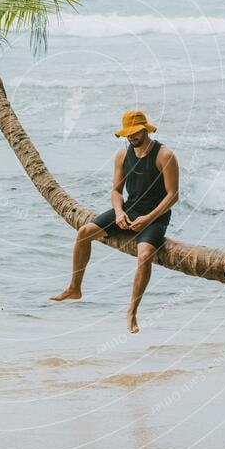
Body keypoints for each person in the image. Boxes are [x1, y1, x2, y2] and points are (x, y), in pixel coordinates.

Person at [50, 110, 179, 333]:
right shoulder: (122, 155)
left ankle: (132, 312)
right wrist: (119, 212)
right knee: (84, 232)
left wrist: (148, 218)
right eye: (127, 134)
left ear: (145, 129)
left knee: (145, 255)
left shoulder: (164, 155)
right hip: (129, 210)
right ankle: (74, 288)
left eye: (135, 132)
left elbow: (172, 195)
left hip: (155, 216)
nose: (131, 137)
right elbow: (116, 191)